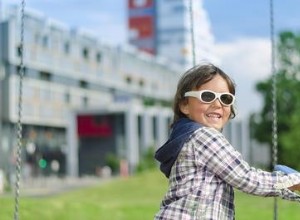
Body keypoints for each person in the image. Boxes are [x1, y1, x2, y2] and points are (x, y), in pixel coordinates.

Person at [154, 63, 300, 219]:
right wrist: (293, 180)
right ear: (184, 105)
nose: (217, 104)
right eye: (207, 96)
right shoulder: (203, 136)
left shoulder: (185, 138)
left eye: (225, 98)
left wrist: (291, 187)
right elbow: (245, 178)